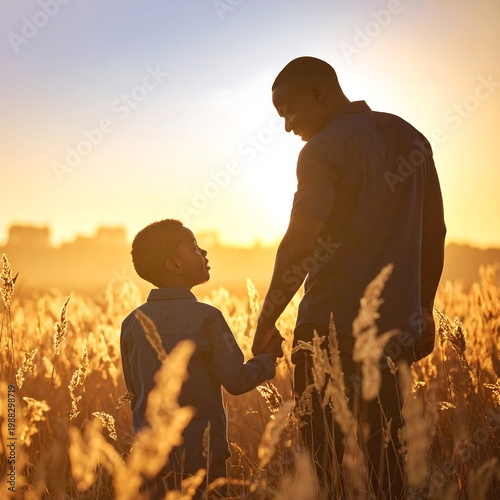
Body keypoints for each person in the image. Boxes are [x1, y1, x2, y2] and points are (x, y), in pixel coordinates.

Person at [252, 56, 446, 498]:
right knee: (389, 469)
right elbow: (433, 233)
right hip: (393, 333)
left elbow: (301, 241)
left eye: (289, 112)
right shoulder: (411, 137)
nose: (286, 127)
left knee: (323, 469)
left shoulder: (321, 150)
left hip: (328, 333)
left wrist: (267, 318)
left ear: (319, 93)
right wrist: (424, 309)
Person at [120, 219, 283, 499]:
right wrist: (267, 361)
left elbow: (134, 391)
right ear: (175, 265)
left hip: (150, 458)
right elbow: (237, 380)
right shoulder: (207, 318)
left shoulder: (132, 323)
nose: (204, 252)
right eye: (195, 247)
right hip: (203, 457)